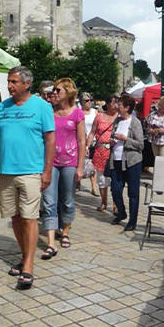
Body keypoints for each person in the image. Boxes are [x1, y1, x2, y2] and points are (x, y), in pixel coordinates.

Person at [0, 66, 55, 290]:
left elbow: (50, 140)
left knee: (29, 218)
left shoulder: (42, 107)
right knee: (14, 218)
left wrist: (47, 171)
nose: (9, 85)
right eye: (8, 81)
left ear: (27, 84)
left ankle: (28, 266)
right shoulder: (2, 108)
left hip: (31, 172)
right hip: (6, 171)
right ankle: (25, 256)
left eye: (14, 81)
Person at [41, 78, 85, 259]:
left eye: (58, 90)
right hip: (51, 162)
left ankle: (65, 231)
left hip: (69, 162)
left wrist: (80, 166)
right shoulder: (48, 112)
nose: (54, 93)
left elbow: (82, 141)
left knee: (67, 200)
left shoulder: (77, 114)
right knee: (49, 200)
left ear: (68, 92)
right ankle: (51, 242)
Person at [109, 94, 144, 231]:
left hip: (132, 162)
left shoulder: (135, 123)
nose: (117, 106)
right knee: (115, 190)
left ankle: (132, 221)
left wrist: (125, 139)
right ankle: (122, 212)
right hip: (116, 160)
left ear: (127, 107)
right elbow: (113, 136)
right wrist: (112, 141)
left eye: (120, 104)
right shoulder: (117, 121)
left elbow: (140, 145)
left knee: (133, 193)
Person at [86, 95, 119, 212]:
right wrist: (87, 146)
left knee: (114, 180)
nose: (116, 105)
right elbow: (92, 133)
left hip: (114, 152)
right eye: (114, 102)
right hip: (100, 151)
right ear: (108, 104)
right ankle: (104, 202)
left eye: (118, 102)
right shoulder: (99, 116)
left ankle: (116, 204)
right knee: (101, 179)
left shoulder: (120, 118)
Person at [80, 92, 99, 196]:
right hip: (82, 140)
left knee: (93, 164)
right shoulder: (79, 113)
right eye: (87, 100)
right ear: (82, 102)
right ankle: (78, 182)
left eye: (90, 100)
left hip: (94, 141)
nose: (89, 102)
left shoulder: (95, 112)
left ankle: (93, 187)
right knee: (82, 162)